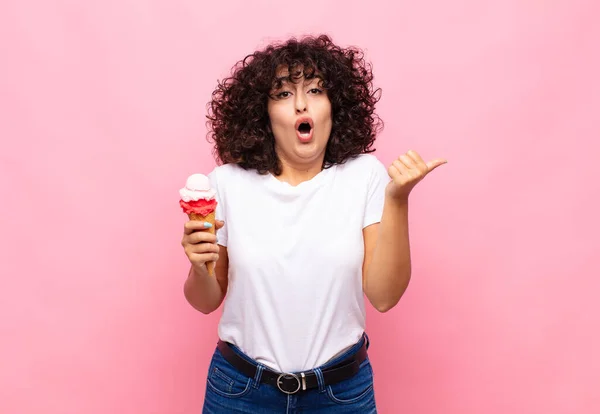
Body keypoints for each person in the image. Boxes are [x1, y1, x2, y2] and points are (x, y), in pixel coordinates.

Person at [180, 34, 446, 413]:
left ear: (334, 106)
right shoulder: (226, 182)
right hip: (240, 392)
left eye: (315, 90)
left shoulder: (364, 176)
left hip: (340, 395)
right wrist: (198, 266)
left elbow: (384, 297)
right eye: (284, 94)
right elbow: (204, 301)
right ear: (264, 114)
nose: (301, 103)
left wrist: (398, 199)